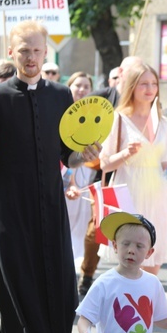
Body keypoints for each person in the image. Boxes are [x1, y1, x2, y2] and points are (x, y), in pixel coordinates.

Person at [0, 20, 101, 333]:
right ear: (11, 53)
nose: (31, 58)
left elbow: (67, 156)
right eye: (24, 50)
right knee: (23, 304)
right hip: (9, 217)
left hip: (51, 211)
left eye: (37, 50)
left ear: (47, 52)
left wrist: (85, 155)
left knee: (62, 302)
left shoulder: (61, 95)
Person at [78, 56, 144, 295]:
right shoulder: (102, 95)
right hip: (106, 171)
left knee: (137, 229)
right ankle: (87, 273)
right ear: (121, 74)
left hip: (136, 175)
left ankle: (133, 282)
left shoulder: (145, 101)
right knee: (96, 229)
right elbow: (82, 123)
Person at [100, 64, 167, 276]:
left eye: (154, 84)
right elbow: (104, 164)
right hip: (128, 191)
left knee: (152, 261)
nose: (150, 89)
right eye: (144, 84)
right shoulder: (119, 119)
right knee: (128, 261)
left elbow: (164, 164)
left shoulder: (163, 122)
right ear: (132, 87)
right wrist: (125, 154)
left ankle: (146, 307)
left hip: (156, 194)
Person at [64, 72, 96, 267]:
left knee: (83, 221)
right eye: (78, 85)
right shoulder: (62, 113)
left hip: (88, 174)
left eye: (86, 86)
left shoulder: (95, 115)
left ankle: (75, 264)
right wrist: (72, 180)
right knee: (66, 220)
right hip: (66, 175)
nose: (82, 90)